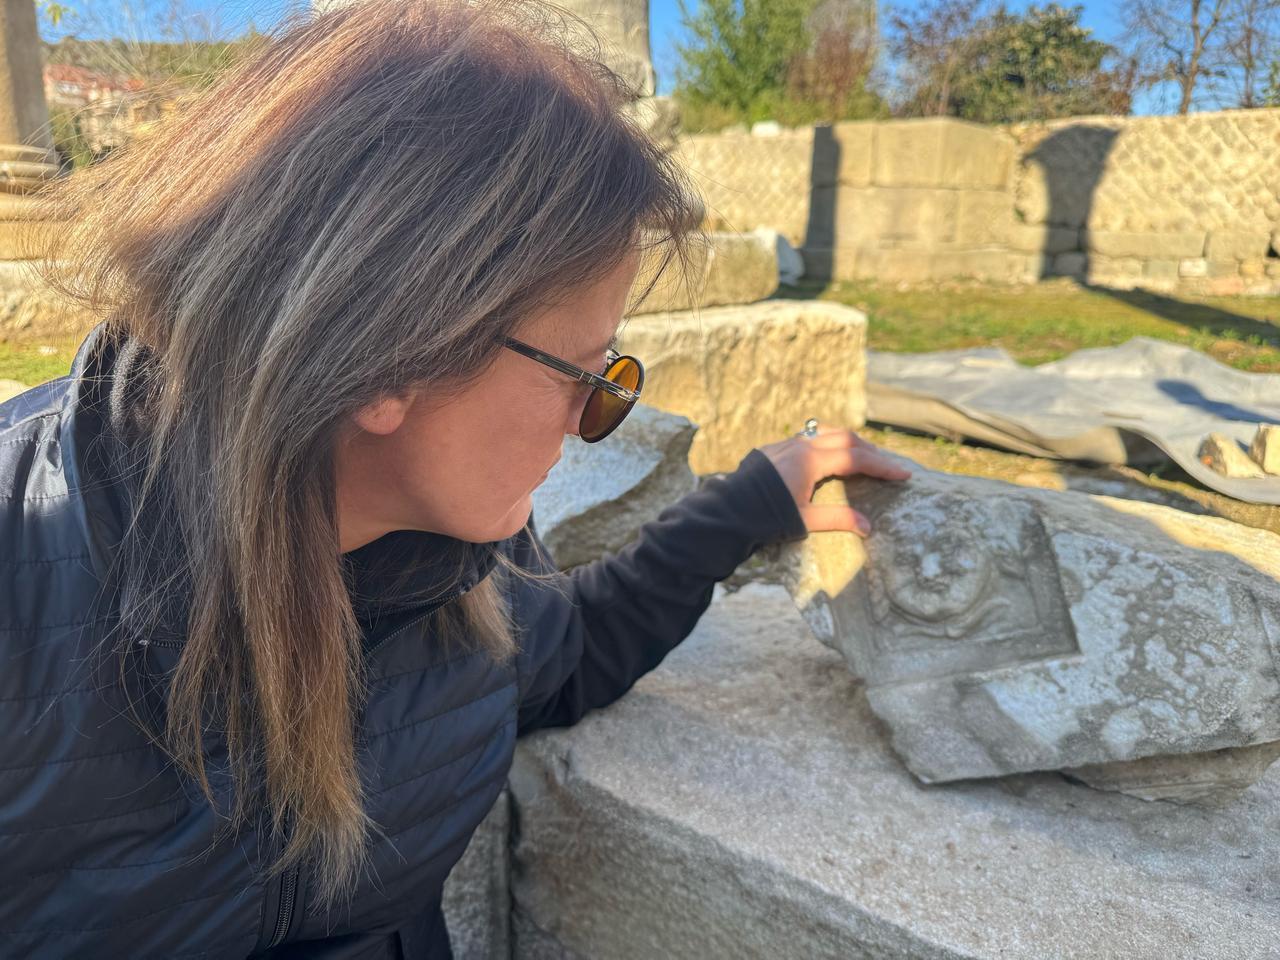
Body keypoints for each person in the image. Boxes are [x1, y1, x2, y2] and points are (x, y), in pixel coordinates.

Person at [0, 0, 910, 955]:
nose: (593, 421)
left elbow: (566, 657)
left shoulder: (467, 570)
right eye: (585, 375)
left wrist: (751, 503)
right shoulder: (25, 586)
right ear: (388, 354)